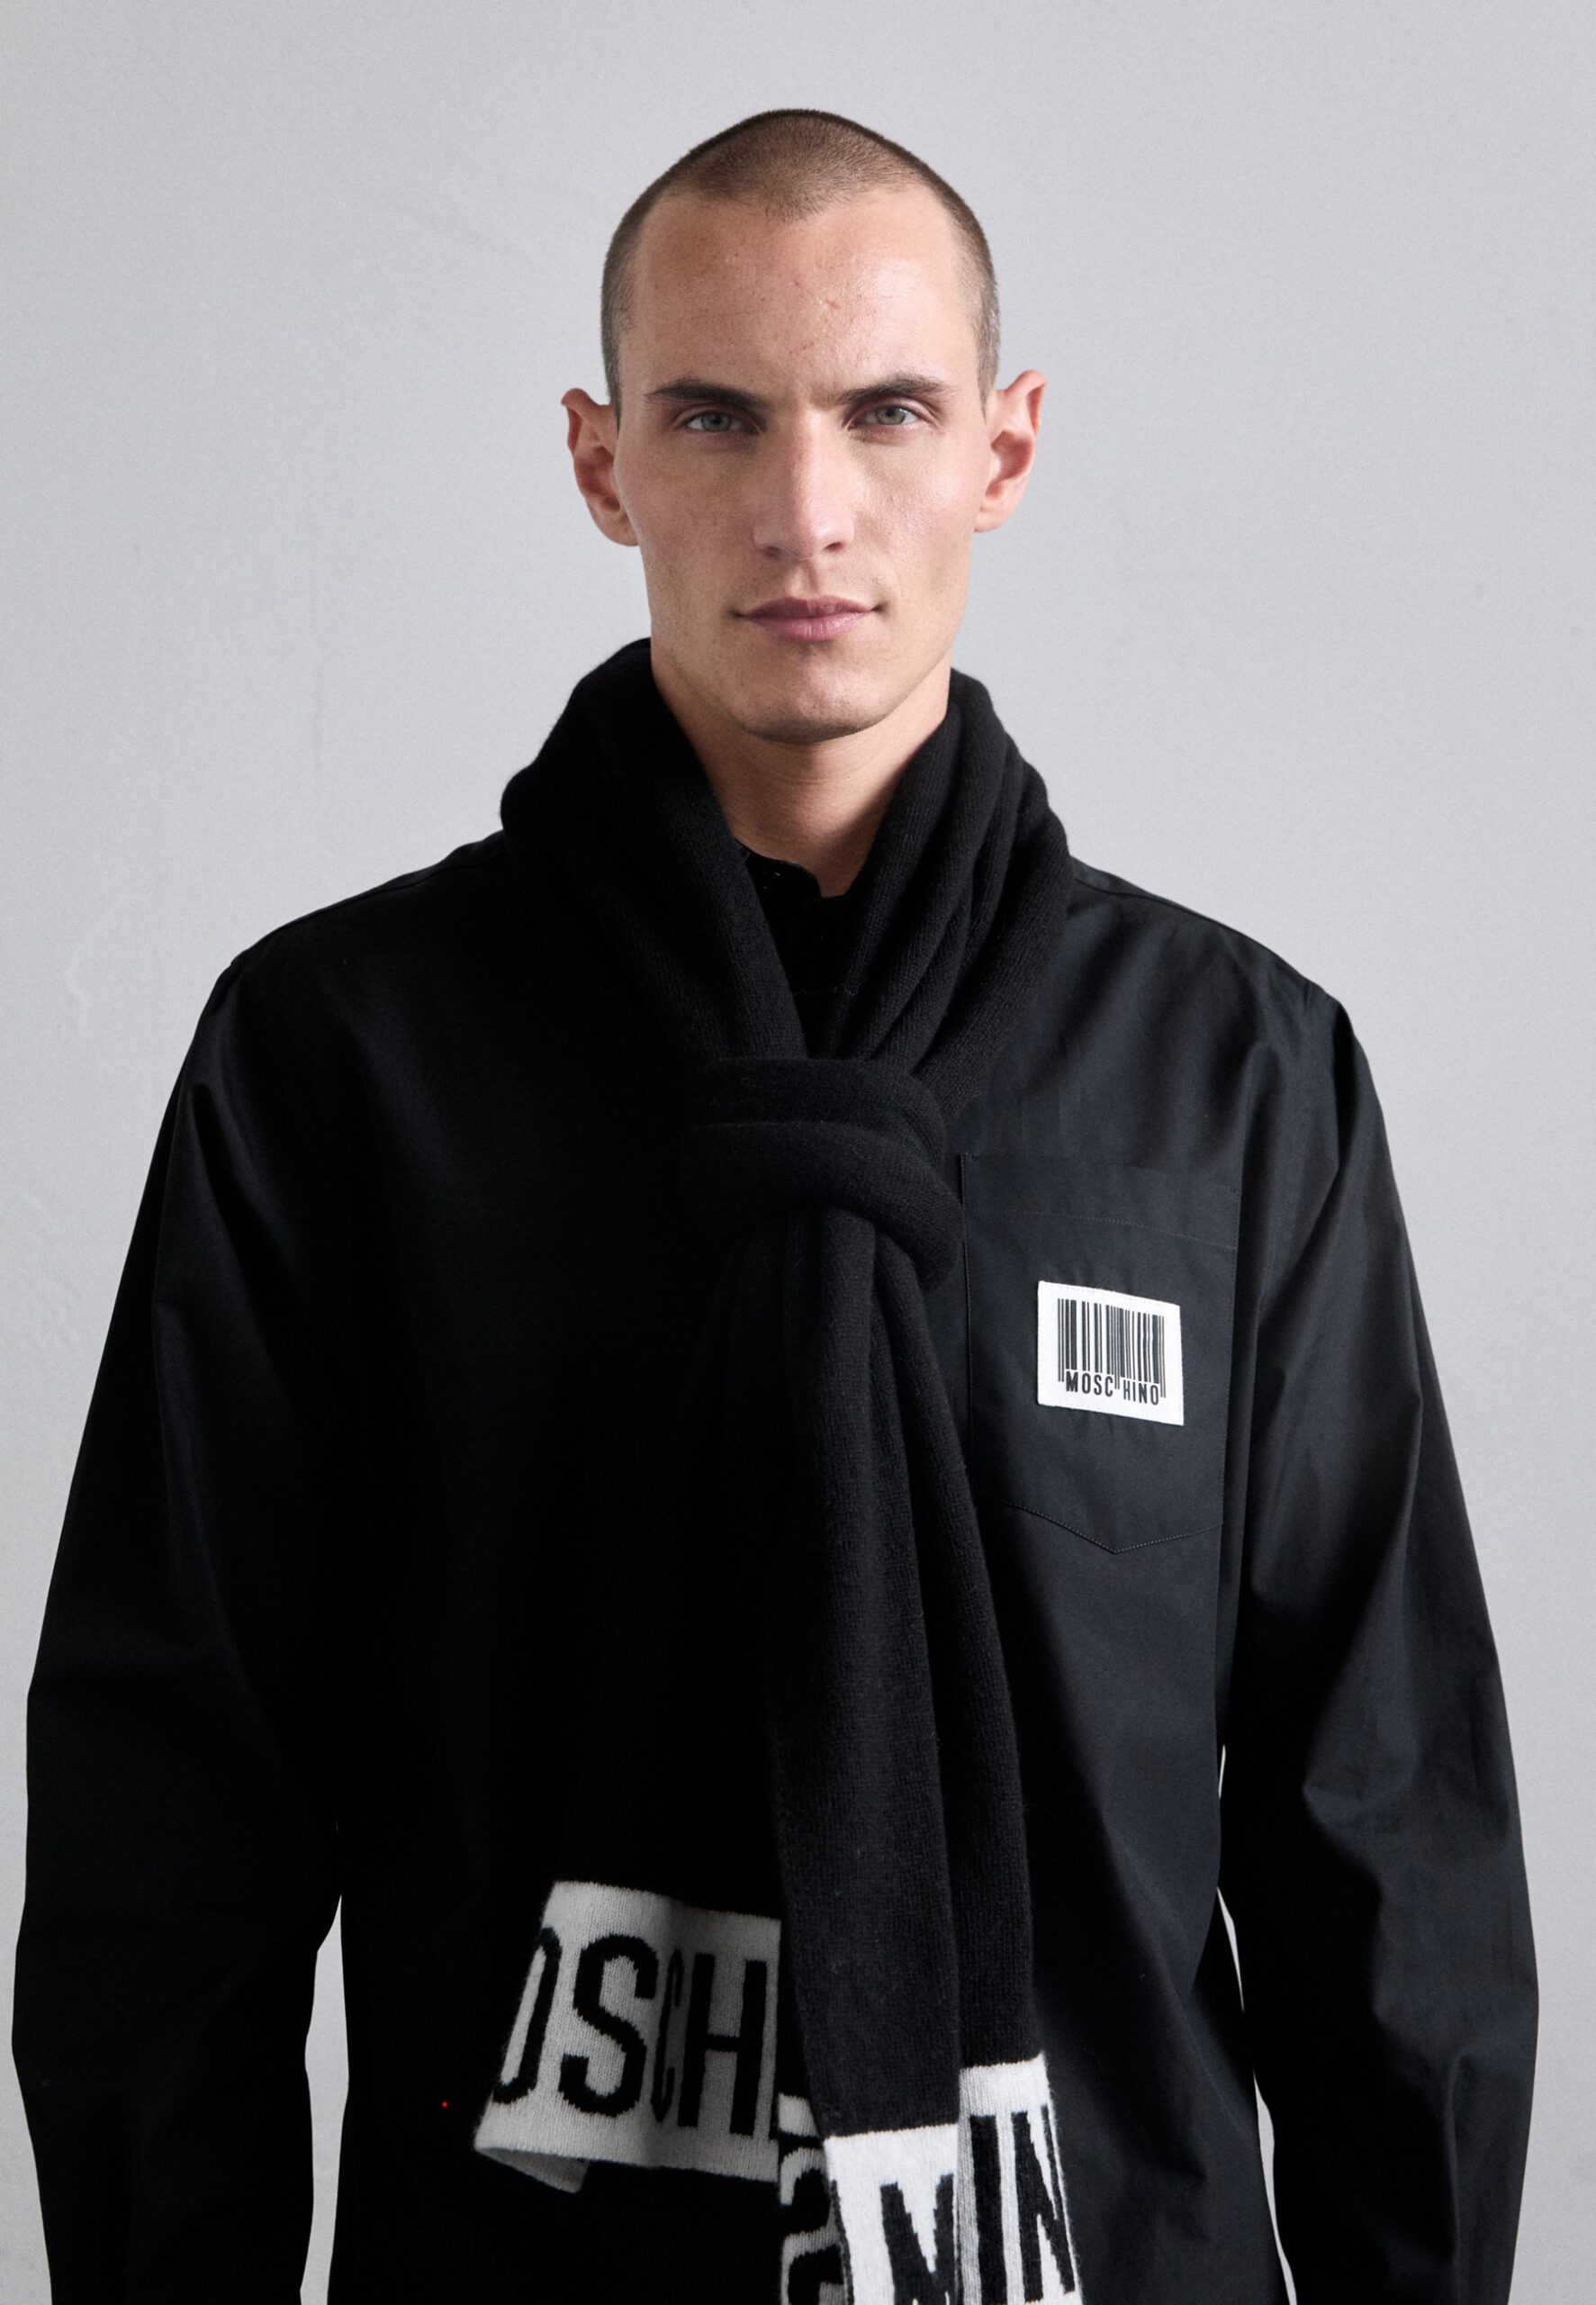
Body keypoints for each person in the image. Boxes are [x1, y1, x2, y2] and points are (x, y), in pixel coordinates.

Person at [12, 104, 1536, 2305]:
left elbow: (1385, 1842)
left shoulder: (1231, 1079)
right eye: (714, 416)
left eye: (884, 410)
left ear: (1002, 448)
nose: (803, 510)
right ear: (598, 459)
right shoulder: (341, 1058)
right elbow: (172, 1837)